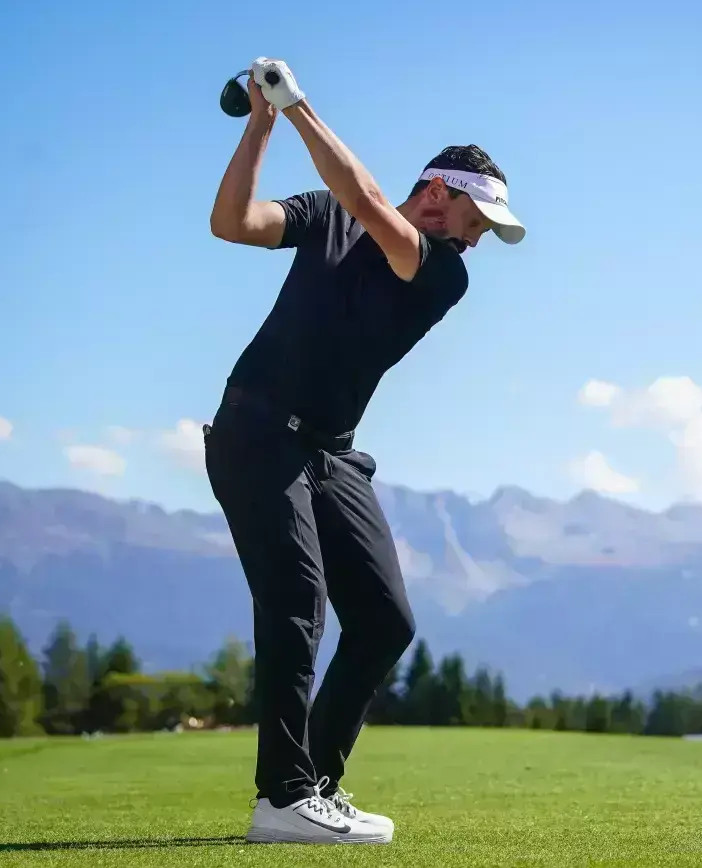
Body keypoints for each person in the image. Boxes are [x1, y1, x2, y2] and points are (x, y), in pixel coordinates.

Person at [203, 57, 525, 845]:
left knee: (383, 621)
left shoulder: (441, 274)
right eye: (476, 219)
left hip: (332, 454)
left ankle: (310, 784)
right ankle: (282, 799)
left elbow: (369, 200)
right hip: (255, 432)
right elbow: (233, 224)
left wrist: (298, 105)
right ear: (441, 190)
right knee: (296, 609)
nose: (477, 241)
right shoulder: (326, 214)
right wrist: (261, 125)